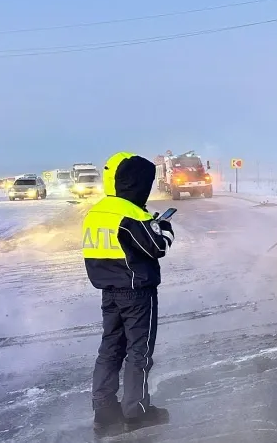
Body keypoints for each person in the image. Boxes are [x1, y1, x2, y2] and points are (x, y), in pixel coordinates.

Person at [82, 152, 175, 437]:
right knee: (139, 352)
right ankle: (137, 412)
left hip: (108, 293)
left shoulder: (96, 212)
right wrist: (164, 227)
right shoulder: (131, 213)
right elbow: (157, 247)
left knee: (109, 350)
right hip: (136, 292)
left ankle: (104, 411)